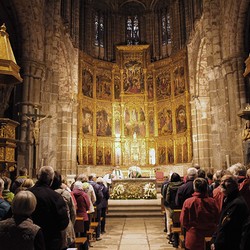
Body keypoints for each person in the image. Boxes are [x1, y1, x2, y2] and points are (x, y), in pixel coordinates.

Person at [29, 166, 69, 250]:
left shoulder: (26, 194)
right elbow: (63, 223)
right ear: (51, 180)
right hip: (50, 240)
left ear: (37, 177)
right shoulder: (56, 197)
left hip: (29, 239)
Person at [211, 174, 249, 250]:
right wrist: (214, 240)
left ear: (235, 185)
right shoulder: (229, 200)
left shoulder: (237, 203)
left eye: (227, 181)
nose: (222, 184)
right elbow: (221, 224)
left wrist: (217, 244)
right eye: (221, 181)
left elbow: (227, 228)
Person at [180, 178, 219, 250]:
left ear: (194, 188)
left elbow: (183, 221)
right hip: (210, 236)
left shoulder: (188, 202)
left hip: (194, 237)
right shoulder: (212, 201)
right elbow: (217, 218)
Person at [51, 171, 76, 250]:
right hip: (66, 228)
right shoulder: (66, 194)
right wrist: (71, 224)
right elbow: (73, 212)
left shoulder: (47, 194)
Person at [164, 173, 183, 246]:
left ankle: (171, 236)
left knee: (170, 220)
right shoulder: (182, 185)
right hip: (181, 206)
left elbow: (167, 197)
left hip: (172, 206)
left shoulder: (170, 186)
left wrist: (168, 203)